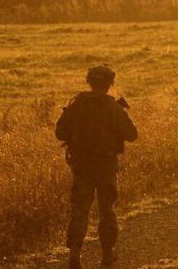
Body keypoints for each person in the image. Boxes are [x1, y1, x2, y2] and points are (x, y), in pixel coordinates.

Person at [55, 66, 138, 269]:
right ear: (110, 84)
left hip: (81, 166)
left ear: (89, 82)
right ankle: (107, 256)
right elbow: (132, 135)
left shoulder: (77, 105)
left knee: (80, 210)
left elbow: (60, 133)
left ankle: (74, 255)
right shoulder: (113, 108)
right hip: (106, 166)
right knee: (106, 210)